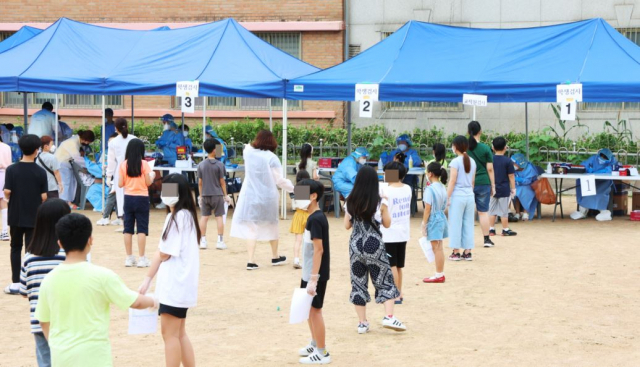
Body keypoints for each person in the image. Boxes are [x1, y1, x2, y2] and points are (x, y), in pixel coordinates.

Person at [34, 213, 157, 367]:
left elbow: (43, 320)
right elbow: (136, 302)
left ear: (60, 244)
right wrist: (155, 300)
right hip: (95, 356)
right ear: (90, 240)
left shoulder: (48, 280)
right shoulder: (102, 276)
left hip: (62, 356)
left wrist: (55, 344)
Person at [138, 174, 200, 367]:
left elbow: (163, 253)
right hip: (183, 284)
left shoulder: (175, 218)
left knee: (170, 335)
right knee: (179, 333)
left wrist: (147, 279)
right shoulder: (188, 216)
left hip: (174, 285)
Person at [344, 165, 406, 334]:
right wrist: (384, 206)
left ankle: (362, 323)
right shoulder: (379, 200)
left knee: (358, 282)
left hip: (356, 245)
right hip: (374, 244)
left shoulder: (350, 199)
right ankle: (389, 316)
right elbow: (387, 223)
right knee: (384, 279)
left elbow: (346, 225)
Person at [230, 129, 293, 270]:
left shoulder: (248, 153)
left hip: (250, 196)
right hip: (267, 197)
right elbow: (280, 180)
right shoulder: (272, 158)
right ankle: (275, 256)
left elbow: (247, 146)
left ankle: (251, 260)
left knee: (252, 229)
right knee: (272, 225)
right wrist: (295, 189)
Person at [19, 199, 70, 367]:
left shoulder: (29, 257)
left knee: (46, 363)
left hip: (40, 322)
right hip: (68, 321)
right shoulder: (70, 256)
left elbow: (24, 292)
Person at [3, 135, 48, 295]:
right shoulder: (40, 172)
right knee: (31, 249)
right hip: (34, 215)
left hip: (15, 214)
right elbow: (44, 196)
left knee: (15, 247)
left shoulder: (12, 169)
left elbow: (7, 191)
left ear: (20, 149)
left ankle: (16, 282)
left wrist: (10, 195)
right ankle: (30, 282)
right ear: (37, 150)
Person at [296, 179, 331, 365]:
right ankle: (315, 342)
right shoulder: (312, 217)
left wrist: (314, 279)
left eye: (301, 194)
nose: (297, 199)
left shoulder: (316, 219)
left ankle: (322, 351)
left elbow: (319, 250)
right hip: (309, 272)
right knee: (309, 310)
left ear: (313, 196)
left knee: (315, 311)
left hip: (315, 274)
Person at [119, 139, 155, 268]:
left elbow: (120, 184)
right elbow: (148, 183)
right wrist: (152, 176)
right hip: (142, 198)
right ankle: (142, 258)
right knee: (142, 228)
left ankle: (129, 258)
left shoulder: (124, 165)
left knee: (127, 228)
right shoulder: (144, 164)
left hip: (128, 197)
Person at [380, 161, 412, 304]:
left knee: (391, 265)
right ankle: (399, 292)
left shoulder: (387, 191)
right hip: (403, 232)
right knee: (399, 265)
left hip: (389, 233)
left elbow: (382, 210)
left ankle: (394, 294)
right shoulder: (408, 188)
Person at [447, 136, 477, 261]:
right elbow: (473, 181)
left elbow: (452, 180)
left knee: (455, 223)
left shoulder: (455, 162)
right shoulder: (472, 161)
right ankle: (468, 252)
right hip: (469, 195)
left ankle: (456, 252)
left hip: (458, 196)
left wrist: (447, 196)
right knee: (468, 223)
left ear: (455, 146)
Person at [197, 138, 231, 250]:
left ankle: (202, 241)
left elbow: (200, 183)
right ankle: (220, 241)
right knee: (219, 217)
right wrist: (226, 195)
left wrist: (200, 196)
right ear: (213, 150)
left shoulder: (201, 165)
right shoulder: (220, 165)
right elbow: (222, 182)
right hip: (217, 194)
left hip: (205, 194)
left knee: (204, 217)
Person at [467, 121, 495, 248]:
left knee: (466, 212)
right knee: (483, 212)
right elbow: (490, 169)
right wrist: (493, 185)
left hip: (467, 183)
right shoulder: (485, 148)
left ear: (468, 132)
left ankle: (466, 240)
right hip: (483, 182)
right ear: (480, 131)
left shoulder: (464, 148)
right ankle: (486, 239)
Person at [570, 148, 618, 221]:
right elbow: (583, 165)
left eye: (605, 157)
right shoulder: (593, 158)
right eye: (601, 156)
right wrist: (589, 171)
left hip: (603, 183)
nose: (602, 158)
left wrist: (593, 172)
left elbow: (608, 171)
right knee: (585, 190)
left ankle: (604, 212)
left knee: (600, 194)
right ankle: (583, 211)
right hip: (589, 182)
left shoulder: (612, 162)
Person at [106, 118, 137, 225]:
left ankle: (125, 220)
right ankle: (134, 218)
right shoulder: (134, 139)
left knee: (121, 196)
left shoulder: (113, 142)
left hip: (120, 171)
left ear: (116, 128)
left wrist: (108, 176)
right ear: (127, 126)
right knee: (135, 193)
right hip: (135, 169)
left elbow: (111, 161)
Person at [422, 162, 449, 283]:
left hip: (433, 218)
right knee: (440, 247)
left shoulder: (430, 189)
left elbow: (427, 208)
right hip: (441, 216)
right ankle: (440, 272)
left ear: (430, 173)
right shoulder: (443, 187)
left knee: (436, 248)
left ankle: (439, 274)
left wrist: (424, 223)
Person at [55, 129, 96, 208]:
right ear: (86, 140)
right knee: (65, 183)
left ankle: (67, 202)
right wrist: (89, 165)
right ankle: (64, 203)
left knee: (69, 183)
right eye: (89, 142)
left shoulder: (76, 141)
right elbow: (77, 158)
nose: (87, 144)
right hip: (62, 163)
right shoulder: (73, 142)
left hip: (65, 163)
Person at [488, 137, 517, 237]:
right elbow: (511, 176)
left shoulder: (490, 159)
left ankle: (491, 229)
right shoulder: (508, 161)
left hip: (492, 188)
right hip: (504, 188)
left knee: (492, 210)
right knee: (504, 211)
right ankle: (505, 229)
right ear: (505, 148)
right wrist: (513, 188)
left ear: (493, 148)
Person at [97, 134, 121, 226]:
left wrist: (109, 175)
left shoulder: (117, 152)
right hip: (115, 176)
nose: (110, 143)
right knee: (115, 197)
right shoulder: (111, 151)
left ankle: (105, 217)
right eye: (109, 141)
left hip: (116, 177)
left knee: (112, 196)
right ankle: (119, 217)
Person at [290, 170, 311, 269]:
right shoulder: (310, 190)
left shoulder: (294, 190)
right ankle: (308, 260)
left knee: (298, 240)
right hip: (307, 215)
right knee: (309, 239)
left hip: (298, 214)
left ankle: (296, 259)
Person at [511, 153, 539, 221]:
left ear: (520, 162)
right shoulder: (513, 169)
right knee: (515, 193)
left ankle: (525, 212)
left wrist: (517, 179)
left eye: (514, 163)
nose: (512, 164)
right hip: (517, 185)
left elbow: (528, 181)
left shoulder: (529, 168)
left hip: (529, 186)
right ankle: (517, 213)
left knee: (524, 192)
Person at [0, 136, 11, 241]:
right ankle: (4, 232)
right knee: (4, 202)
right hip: (5, 174)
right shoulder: (7, 146)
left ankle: (4, 232)